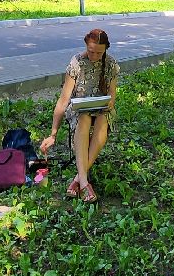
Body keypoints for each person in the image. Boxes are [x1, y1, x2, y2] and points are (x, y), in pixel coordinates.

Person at [39, 28, 120, 204]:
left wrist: (109, 103)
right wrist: (53, 133)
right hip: (80, 110)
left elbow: (113, 95)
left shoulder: (111, 64)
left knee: (102, 119)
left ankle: (78, 179)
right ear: (85, 45)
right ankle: (84, 182)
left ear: (106, 49)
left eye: (99, 52)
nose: (94, 56)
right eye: (91, 51)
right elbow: (63, 100)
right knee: (84, 118)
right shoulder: (76, 63)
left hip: (102, 109)